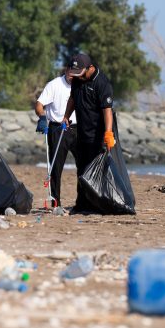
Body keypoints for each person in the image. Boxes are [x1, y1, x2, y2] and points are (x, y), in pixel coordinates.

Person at [62, 53, 115, 213]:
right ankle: (82, 204)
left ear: (90, 68)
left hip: (98, 136)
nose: (78, 76)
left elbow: (107, 111)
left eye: (80, 72)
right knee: (82, 170)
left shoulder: (102, 83)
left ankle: (97, 204)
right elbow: (72, 99)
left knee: (96, 171)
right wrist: (66, 115)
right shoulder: (78, 80)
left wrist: (108, 134)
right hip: (82, 133)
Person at [35, 67, 77, 207]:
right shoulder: (54, 85)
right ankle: (55, 202)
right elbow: (39, 105)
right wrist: (42, 117)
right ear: (66, 70)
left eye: (76, 73)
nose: (73, 76)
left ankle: (84, 201)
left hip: (77, 128)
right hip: (58, 128)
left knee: (84, 166)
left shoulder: (82, 84)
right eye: (71, 73)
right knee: (56, 168)